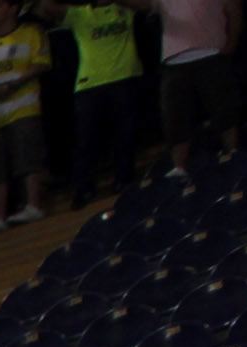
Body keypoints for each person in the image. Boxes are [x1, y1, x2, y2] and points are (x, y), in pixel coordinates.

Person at [0, 0, 54, 229]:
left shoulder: (31, 33)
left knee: (28, 158)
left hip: (24, 107)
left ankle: (34, 205)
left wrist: (14, 84)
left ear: (13, 8)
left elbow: (42, 63)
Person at [54, 0, 150, 199]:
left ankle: (124, 180)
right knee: (85, 140)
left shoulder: (124, 7)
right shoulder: (78, 13)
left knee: (125, 134)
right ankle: (83, 189)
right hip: (89, 83)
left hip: (124, 76)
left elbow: (146, 6)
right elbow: (45, 8)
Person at [143, 0, 243, 173]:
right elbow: (142, 4)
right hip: (174, 61)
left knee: (224, 109)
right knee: (175, 117)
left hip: (211, 52)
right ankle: (179, 168)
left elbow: (234, 10)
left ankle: (234, 154)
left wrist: (232, 42)